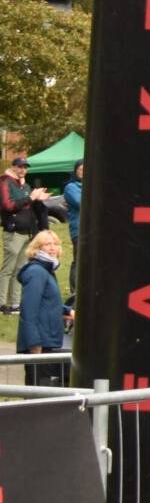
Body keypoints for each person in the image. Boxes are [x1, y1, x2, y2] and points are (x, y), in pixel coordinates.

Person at [14, 231, 69, 386]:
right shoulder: (37, 272)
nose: (53, 248)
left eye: (55, 244)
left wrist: (66, 311)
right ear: (37, 248)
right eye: (47, 244)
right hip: (40, 345)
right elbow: (29, 311)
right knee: (39, 393)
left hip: (48, 341)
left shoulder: (46, 270)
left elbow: (47, 300)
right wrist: (34, 345)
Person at [1, 156, 48, 314]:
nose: (22, 170)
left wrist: (38, 200)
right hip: (13, 232)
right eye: (20, 167)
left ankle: (15, 304)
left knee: (20, 269)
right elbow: (8, 206)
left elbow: (29, 206)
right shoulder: (5, 182)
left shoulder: (25, 185)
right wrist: (30, 198)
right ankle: (1, 303)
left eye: (25, 167)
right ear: (13, 167)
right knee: (8, 269)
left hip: (27, 232)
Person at [60, 160, 82, 299]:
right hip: (80, 229)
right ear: (75, 171)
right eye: (81, 169)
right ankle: (75, 292)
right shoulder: (71, 187)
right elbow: (82, 203)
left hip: (96, 230)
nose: (84, 171)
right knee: (79, 259)